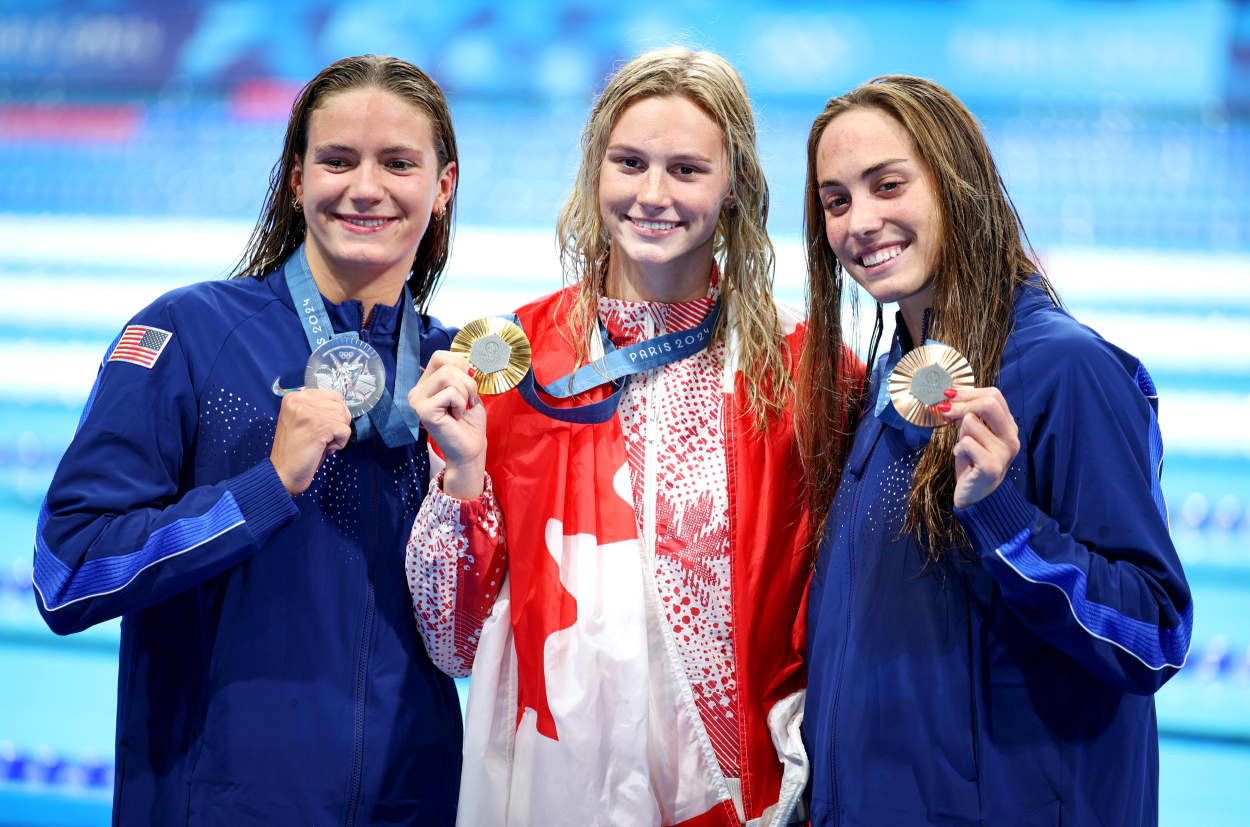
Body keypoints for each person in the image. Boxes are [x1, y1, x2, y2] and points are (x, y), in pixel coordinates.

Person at [407, 47, 844, 826]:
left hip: (743, 797)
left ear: (735, 184)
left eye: (686, 170)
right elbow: (452, 642)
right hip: (556, 790)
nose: (652, 195)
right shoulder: (514, 363)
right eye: (630, 162)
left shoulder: (805, 367)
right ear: (594, 171)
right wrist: (462, 476)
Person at [33, 55, 463, 825]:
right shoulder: (190, 333)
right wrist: (265, 487)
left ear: (443, 187)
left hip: (414, 804)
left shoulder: (456, 377)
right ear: (297, 180)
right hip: (222, 804)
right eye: (338, 160)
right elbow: (66, 570)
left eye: (398, 162)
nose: (366, 187)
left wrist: (468, 481)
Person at [796, 75, 1193, 826]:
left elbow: (1156, 632)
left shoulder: (1065, 370)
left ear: (955, 182)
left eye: (888, 185)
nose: (861, 221)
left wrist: (1005, 519)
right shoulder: (896, 380)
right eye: (837, 200)